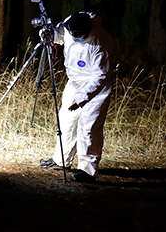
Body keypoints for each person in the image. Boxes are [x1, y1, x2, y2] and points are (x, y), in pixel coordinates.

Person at [39, 11, 115, 183]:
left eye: (78, 35)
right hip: (74, 82)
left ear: (87, 32)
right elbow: (58, 33)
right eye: (72, 34)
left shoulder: (100, 43)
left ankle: (87, 170)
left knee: (88, 127)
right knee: (66, 120)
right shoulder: (69, 25)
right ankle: (61, 160)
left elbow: (100, 77)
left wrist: (82, 98)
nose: (74, 37)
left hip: (95, 89)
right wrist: (48, 34)